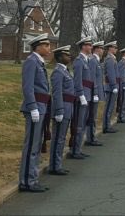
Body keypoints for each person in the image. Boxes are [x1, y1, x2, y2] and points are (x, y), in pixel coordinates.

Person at [18, 33, 52, 192]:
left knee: (36, 145)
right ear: (37, 46)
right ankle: (26, 181)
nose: (49, 48)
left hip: (41, 106)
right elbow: (28, 87)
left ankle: (32, 178)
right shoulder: (31, 62)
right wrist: (32, 107)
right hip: (35, 107)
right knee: (31, 145)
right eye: (46, 45)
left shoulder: (39, 62)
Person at [48, 45, 75, 175]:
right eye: (66, 55)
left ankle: (56, 164)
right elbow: (57, 93)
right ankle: (55, 166)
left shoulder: (66, 71)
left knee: (61, 137)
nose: (69, 57)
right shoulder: (58, 72)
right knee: (58, 138)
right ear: (59, 57)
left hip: (68, 106)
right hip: (62, 107)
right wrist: (59, 110)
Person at [68, 37, 92, 159]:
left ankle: (78, 148)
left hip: (86, 95)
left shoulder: (85, 60)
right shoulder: (79, 61)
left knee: (82, 123)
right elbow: (78, 80)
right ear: (83, 46)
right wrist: (81, 94)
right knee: (78, 124)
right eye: (89, 45)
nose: (91, 47)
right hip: (81, 96)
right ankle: (74, 150)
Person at [85, 41, 105, 147]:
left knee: (93, 115)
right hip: (93, 93)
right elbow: (92, 79)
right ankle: (90, 138)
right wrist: (95, 93)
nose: (103, 51)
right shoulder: (93, 61)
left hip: (94, 92)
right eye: (101, 48)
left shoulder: (96, 61)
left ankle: (91, 136)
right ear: (97, 49)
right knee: (91, 116)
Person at [102, 41, 119, 134]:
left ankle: (107, 125)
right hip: (110, 87)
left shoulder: (112, 58)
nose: (116, 49)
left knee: (110, 106)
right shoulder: (109, 59)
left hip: (111, 86)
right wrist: (113, 85)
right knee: (108, 107)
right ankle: (106, 126)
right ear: (110, 48)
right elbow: (111, 74)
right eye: (115, 47)